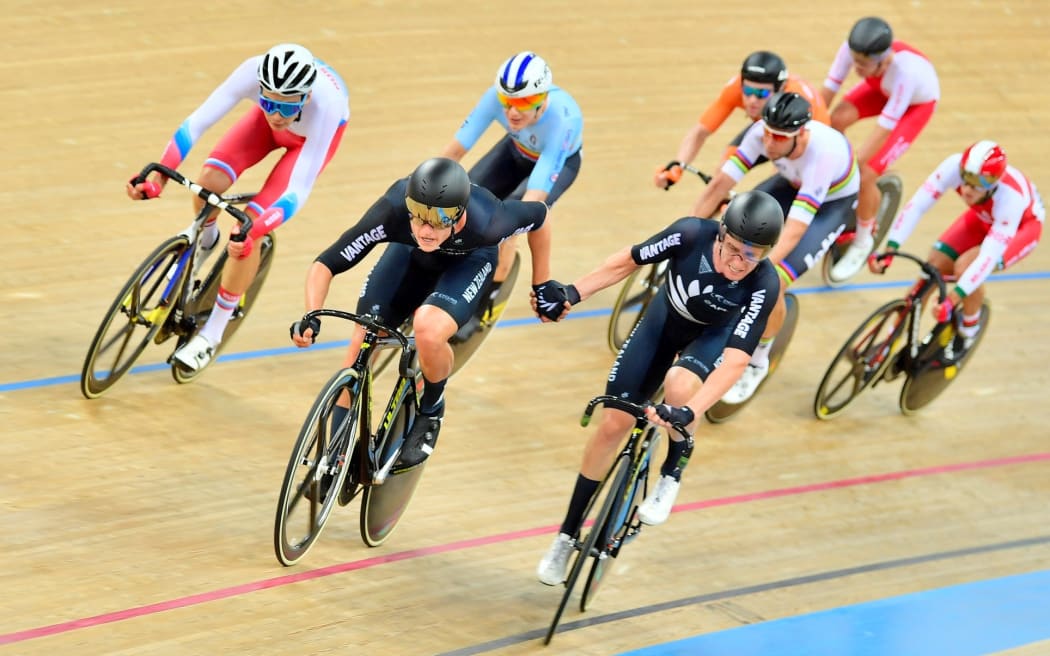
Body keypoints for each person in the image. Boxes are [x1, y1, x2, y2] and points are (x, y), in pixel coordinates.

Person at [534, 191, 784, 586]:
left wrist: (690, 411)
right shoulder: (689, 234)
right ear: (720, 235)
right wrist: (572, 292)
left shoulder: (763, 283)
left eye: (750, 256)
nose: (738, 263)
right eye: (734, 249)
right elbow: (626, 261)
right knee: (613, 423)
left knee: (679, 385)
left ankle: (671, 472)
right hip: (662, 324)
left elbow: (736, 360)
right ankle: (565, 536)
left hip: (711, 339)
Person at [290, 157, 563, 468]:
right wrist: (311, 313)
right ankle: (334, 458)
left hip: (468, 263)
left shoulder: (490, 220)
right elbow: (327, 262)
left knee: (428, 328)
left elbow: (541, 217)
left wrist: (541, 283)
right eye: (418, 216)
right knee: (362, 339)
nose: (426, 229)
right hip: (409, 259)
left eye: (439, 219)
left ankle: (431, 408)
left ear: (459, 215)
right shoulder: (393, 209)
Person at [127, 43, 350, 372]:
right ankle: (206, 238)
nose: (276, 115)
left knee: (247, 229)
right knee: (208, 183)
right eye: (269, 102)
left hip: (306, 146)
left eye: (286, 108)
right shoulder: (252, 71)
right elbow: (197, 122)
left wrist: (256, 228)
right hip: (259, 131)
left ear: (304, 98)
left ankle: (212, 334)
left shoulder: (327, 105)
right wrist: (160, 172)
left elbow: (299, 188)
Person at [690, 91, 860, 404]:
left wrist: (754, 268)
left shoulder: (823, 155)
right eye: (767, 133)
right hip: (788, 184)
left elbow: (794, 230)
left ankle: (758, 360)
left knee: (773, 280)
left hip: (830, 205)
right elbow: (719, 186)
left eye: (779, 138)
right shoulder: (761, 132)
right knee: (732, 226)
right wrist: (688, 232)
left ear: (801, 134)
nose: (770, 143)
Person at [440, 51, 583, 341]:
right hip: (515, 151)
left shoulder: (564, 120)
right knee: (461, 195)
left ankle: (484, 304)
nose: (513, 112)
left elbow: (532, 201)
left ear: (542, 99)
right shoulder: (495, 98)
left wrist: (504, 225)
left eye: (524, 103)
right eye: (507, 103)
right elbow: (455, 151)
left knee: (509, 223)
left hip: (555, 163)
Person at [869, 140, 1044, 350]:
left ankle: (968, 330)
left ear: (994, 183)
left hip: (1021, 230)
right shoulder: (952, 166)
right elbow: (916, 206)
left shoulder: (1011, 199)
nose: (968, 188)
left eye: (979, 183)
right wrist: (890, 250)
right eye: (966, 178)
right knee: (931, 267)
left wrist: (952, 300)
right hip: (982, 218)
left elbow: (987, 257)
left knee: (964, 268)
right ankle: (887, 345)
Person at [820, 16, 940, 282]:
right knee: (835, 120)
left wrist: (851, 171)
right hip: (882, 89)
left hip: (914, 106)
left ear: (884, 59)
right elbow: (825, 96)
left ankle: (864, 241)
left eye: (862, 65)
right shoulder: (851, 50)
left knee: (866, 173)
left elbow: (883, 129)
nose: (856, 69)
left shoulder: (904, 73)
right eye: (855, 62)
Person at [654, 50, 829, 191]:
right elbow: (700, 132)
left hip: (799, 137)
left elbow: (784, 163)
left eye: (762, 94)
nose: (752, 99)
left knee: (777, 187)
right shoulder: (735, 89)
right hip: (768, 125)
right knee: (722, 173)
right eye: (748, 91)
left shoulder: (797, 102)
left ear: (780, 90)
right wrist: (676, 169)